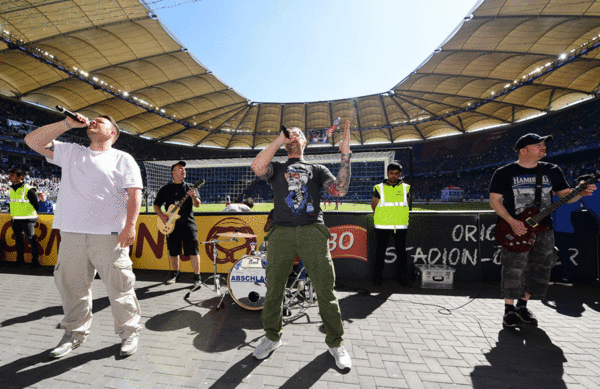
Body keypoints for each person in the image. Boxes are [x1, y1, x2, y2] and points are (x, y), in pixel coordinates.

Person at [25, 112, 143, 358]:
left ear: (112, 133)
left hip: (109, 235)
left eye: (103, 121)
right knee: (71, 288)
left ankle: (129, 332)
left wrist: (130, 226)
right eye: (94, 119)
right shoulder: (71, 152)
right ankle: (74, 333)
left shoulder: (123, 159)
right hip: (72, 233)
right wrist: (67, 124)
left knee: (120, 287)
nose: (95, 121)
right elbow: (32, 141)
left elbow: (134, 194)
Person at [250, 120, 353, 370]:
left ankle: (335, 343)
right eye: (289, 134)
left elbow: (339, 190)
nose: (293, 136)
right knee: (274, 288)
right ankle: (272, 337)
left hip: (312, 231)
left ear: (305, 142)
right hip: (281, 233)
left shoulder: (317, 169)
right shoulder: (276, 166)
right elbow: (257, 166)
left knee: (325, 290)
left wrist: (346, 155)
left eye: (297, 134)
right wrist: (278, 139)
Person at [489, 133, 596, 329]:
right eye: (538, 144)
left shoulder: (552, 170)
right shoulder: (504, 172)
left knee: (540, 268)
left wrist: (579, 192)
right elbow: (494, 201)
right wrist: (512, 222)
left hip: (544, 228)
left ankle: (523, 306)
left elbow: (566, 197)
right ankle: (509, 310)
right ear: (524, 150)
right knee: (514, 268)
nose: (543, 147)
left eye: (544, 144)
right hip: (516, 228)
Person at [154, 161, 201, 287]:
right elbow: (156, 205)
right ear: (173, 172)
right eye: (180, 168)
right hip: (171, 224)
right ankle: (175, 273)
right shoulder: (165, 189)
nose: (183, 170)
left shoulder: (191, 187)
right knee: (173, 251)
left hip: (188, 223)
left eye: (184, 169)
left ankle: (197, 277)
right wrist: (161, 215)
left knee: (193, 250)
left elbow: (197, 204)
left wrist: (193, 196)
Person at [371, 162, 410, 286]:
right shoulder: (379, 187)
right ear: (387, 173)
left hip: (400, 226)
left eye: (396, 173)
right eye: (391, 173)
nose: (393, 176)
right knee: (380, 252)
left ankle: (402, 276)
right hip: (382, 225)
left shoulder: (405, 188)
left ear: (399, 174)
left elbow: (407, 204)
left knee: (402, 253)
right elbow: (374, 205)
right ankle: (378, 276)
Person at [8, 168, 39, 268]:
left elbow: (36, 204)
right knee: (18, 240)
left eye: (12, 175)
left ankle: (35, 261)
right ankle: (20, 260)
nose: (10, 177)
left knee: (31, 240)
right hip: (16, 219)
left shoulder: (28, 189)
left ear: (20, 177)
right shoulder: (11, 189)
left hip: (28, 219)